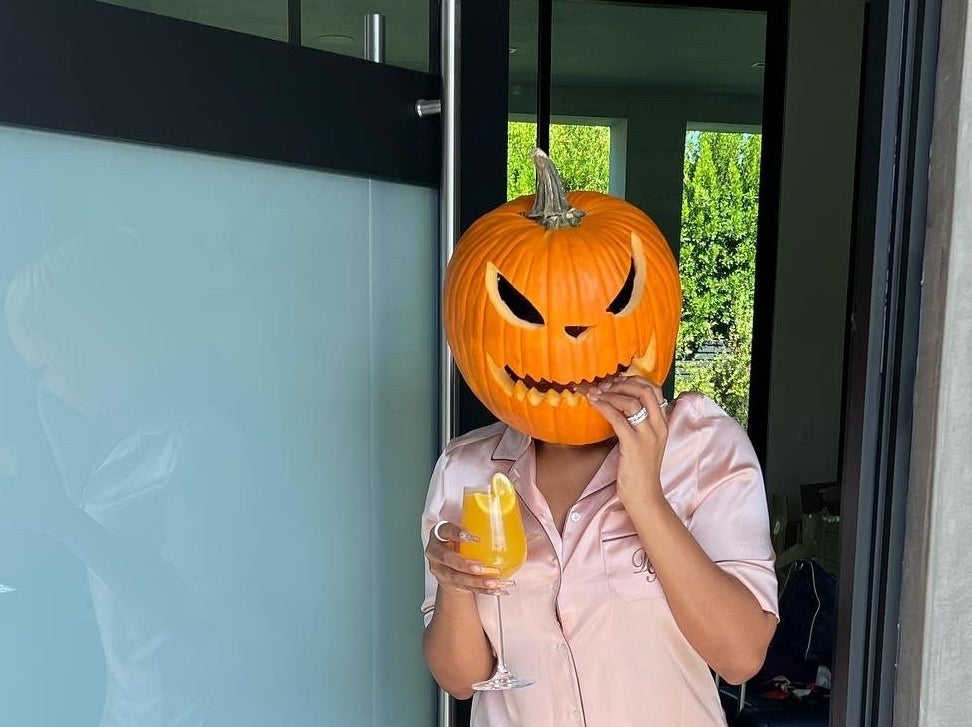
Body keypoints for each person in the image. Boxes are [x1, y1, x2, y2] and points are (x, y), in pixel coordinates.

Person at [420, 150, 778, 726]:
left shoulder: (703, 446)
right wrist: (454, 584)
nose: (573, 336)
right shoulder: (468, 472)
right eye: (524, 311)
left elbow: (741, 658)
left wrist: (646, 501)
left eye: (615, 302)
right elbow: (461, 680)